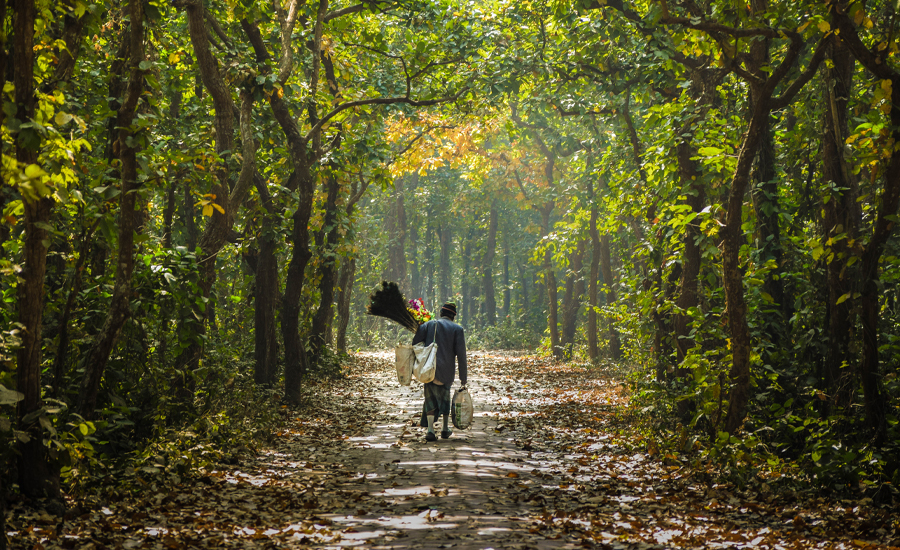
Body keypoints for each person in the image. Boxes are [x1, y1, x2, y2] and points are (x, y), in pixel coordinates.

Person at [412, 302, 467, 441]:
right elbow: (461, 356)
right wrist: (463, 378)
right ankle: (444, 428)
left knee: (429, 398)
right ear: (453, 316)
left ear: (441, 313)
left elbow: (415, 342)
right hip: (446, 371)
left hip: (429, 368)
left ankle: (430, 430)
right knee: (445, 398)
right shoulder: (457, 329)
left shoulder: (429, 325)